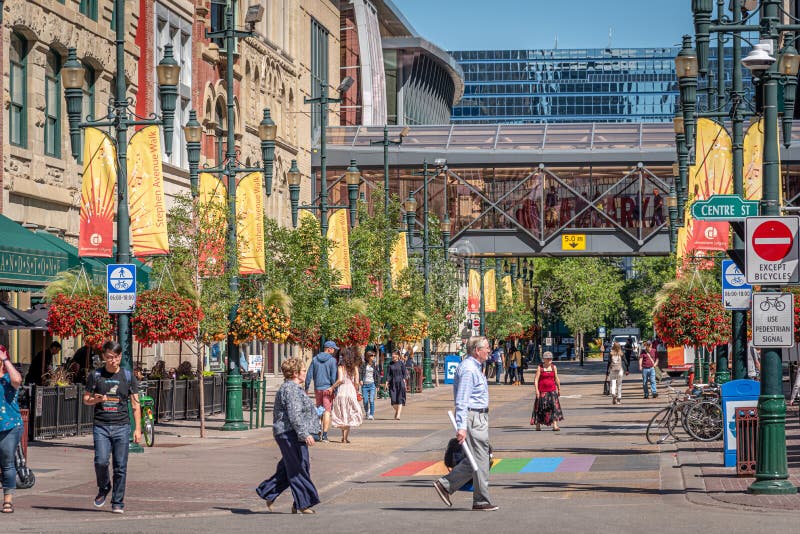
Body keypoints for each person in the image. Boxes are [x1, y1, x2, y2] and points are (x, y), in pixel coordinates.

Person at [432, 336, 497, 511]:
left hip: (477, 417)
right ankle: (479, 499)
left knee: (479, 458)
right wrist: (461, 426)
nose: (489, 350)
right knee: (482, 459)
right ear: (477, 350)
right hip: (473, 417)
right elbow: (462, 399)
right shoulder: (469, 369)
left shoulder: (474, 367)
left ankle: (447, 485)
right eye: (487, 348)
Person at [83, 341, 141, 514]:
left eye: (116, 357)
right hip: (101, 425)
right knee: (100, 461)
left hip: (122, 425)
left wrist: (138, 429)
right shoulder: (96, 375)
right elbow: (86, 399)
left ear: (120, 357)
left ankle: (117, 502)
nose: (113, 361)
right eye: (109, 357)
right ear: (103, 357)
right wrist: (97, 400)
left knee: (120, 466)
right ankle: (104, 486)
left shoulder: (128, 377)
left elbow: (136, 405)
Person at [257, 357, 321, 514]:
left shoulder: (294, 388)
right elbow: (294, 415)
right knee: (299, 467)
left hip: (292, 433)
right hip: (289, 433)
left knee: (290, 467)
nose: (306, 373)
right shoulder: (290, 389)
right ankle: (303, 503)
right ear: (295, 373)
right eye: (304, 370)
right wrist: (304, 433)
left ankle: (269, 492)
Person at [0, 345, 23, 513]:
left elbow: (17, 380)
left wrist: (5, 360)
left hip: (9, 425)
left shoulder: (9, 378)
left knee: (7, 463)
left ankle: (7, 499)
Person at [304, 340, 339, 442]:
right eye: (333, 349)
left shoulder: (315, 359)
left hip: (318, 388)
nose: (334, 351)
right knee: (327, 411)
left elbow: (309, 375)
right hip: (328, 389)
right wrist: (334, 389)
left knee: (319, 409)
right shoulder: (332, 361)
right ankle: (324, 435)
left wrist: (306, 388)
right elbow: (333, 377)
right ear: (329, 349)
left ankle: (317, 431)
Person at [330, 348, 363, 443]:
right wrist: (356, 390)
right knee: (349, 413)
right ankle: (345, 438)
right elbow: (356, 381)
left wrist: (332, 387)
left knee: (343, 412)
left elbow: (340, 380)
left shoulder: (341, 366)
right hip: (350, 391)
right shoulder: (355, 367)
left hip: (341, 391)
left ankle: (343, 437)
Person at [531, 351, 563, 430]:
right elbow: (536, 380)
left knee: (554, 407)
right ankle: (538, 425)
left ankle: (555, 425)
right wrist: (537, 391)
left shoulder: (553, 367)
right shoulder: (540, 367)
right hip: (542, 391)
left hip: (552, 390)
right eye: (548, 358)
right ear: (544, 359)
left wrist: (559, 388)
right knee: (540, 408)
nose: (549, 360)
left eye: (550, 358)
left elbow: (556, 378)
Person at [386, 349, 408, 420]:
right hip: (393, 383)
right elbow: (388, 374)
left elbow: (405, 373)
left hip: (400, 382)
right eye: (392, 355)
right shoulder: (390, 364)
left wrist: (404, 380)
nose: (393, 356)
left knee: (400, 399)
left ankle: (398, 415)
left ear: (398, 356)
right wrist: (387, 382)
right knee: (393, 401)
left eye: (395, 355)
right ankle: (397, 411)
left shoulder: (401, 363)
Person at [360, 350, 379, 420]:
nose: (373, 357)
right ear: (368, 357)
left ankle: (371, 414)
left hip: (372, 384)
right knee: (365, 401)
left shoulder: (375, 365)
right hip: (365, 385)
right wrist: (360, 380)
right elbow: (360, 372)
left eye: (374, 356)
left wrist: (377, 386)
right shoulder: (364, 364)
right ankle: (367, 411)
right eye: (372, 356)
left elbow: (377, 375)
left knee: (371, 400)